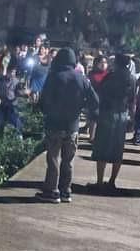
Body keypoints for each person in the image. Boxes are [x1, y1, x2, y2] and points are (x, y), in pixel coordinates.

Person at [37, 48, 99, 203]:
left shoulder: (54, 77)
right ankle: (66, 191)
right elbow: (95, 101)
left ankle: (52, 191)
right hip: (73, 126)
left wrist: (47, 111)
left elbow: (43, 101)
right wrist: (81, 109)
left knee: (53, 159)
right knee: (68, 161)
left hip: (54, 125)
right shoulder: (81, 78)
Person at [90, 54, 136, 190]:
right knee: (117, 150)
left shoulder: (110, 77)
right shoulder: (132, 79)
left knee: (102, 148)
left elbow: (100, 94)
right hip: (122, 115)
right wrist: (132, 119)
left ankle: (99, 182)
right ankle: (112, 181)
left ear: (116, 63)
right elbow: (132, 101)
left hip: (107, 114)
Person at [0, 66, 23, 137]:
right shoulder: (1, 80)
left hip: (12, 105)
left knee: (16, 121)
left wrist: (22, 93)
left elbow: (18, 92)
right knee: (1, 122)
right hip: (2, 104)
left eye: (13, 72)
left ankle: (19, 137)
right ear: (7, 72)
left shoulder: (17, 82)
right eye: (11, 72)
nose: (12, 74)